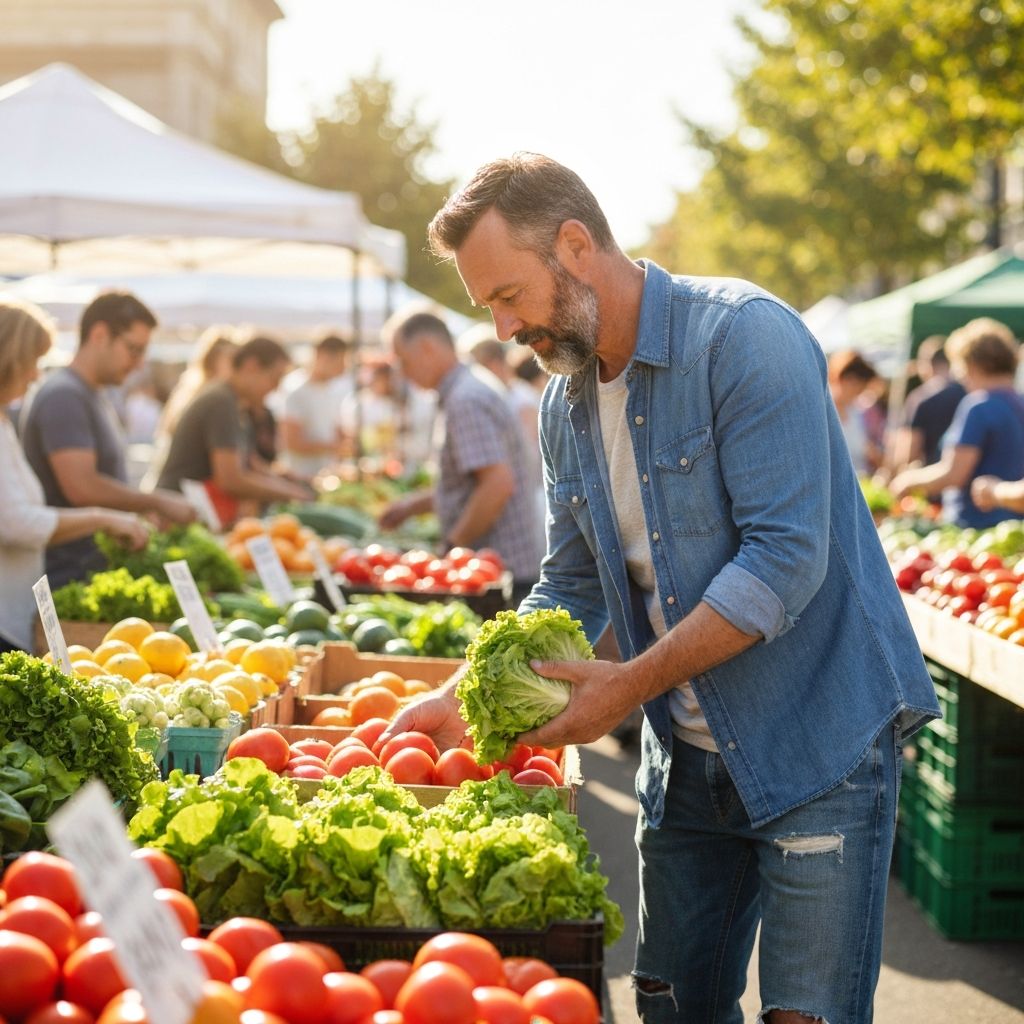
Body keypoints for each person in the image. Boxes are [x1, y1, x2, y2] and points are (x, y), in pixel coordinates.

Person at [379, 153, 940, 1024]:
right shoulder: (563, 404)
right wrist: (463, 692)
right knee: (675, 1010)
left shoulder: (744, 336)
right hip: (681, 765)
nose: (499, 328)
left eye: (507, 295)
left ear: (573, 244)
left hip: (816, 743)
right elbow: (569, 582)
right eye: (485, 306)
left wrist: (628, 688)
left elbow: (784, 559)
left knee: (807, 1015)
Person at [0, 298, 151, 653]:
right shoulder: (61, 396)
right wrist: (104, 518)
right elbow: (13, 521)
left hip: (17, 610)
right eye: (33, 361)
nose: (37, 374)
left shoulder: (5, 421)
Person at [19, 291, 194, 588]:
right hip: (67, 574)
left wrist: (141, 509)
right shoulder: (64, 395)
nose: (139, 364)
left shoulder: (94, 393)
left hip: (90, 567)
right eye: (133, 349)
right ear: (99, 335)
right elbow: (81, 487)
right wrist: (155, 501)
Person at [378, 310, 542, 601]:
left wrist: (451, 548)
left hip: (499, 576)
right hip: (497, 571)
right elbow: (470, 483)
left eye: (403, 361)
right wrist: (412, 507)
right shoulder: (467, 388)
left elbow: (497, 485)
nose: (402, 373)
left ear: (428, 348)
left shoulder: (465, 399)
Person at [153, 334, 313, 525]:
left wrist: (289, 483)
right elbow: (230, 479)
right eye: (274, 378)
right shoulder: (221, 402)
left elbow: (252, 464)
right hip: (176, 517)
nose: (275, 389)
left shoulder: (236, 405)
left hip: (191, 514)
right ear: (251, 366)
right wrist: (292, 493)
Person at [891, 318, 1024, 528]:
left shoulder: (979, 406)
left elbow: (954, 473)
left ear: (971, 363)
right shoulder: (1019, 402)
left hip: (976, 526)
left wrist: (907, 481)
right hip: (1013, 525)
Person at [887, 336, 965, 476]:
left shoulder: (920, 398)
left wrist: (894, 475)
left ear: (927, 364)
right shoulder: (970, 394)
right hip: (963, 478)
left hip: (929, 478)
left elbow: (909, 450)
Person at [278, 332, 352, 477]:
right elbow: (292, 442)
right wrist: (333, 447)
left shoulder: (334, 390)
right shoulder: (295, 390)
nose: (343, 367)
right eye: (341, 361)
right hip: (301, 477)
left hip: (327, 475)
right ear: (322, 355)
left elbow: (334, 428)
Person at [827, 349, 879, 475]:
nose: (859, 393)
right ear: (842, 379)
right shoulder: (823, 412)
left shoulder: (856, 413)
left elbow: (865, 449)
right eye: (856, 385)